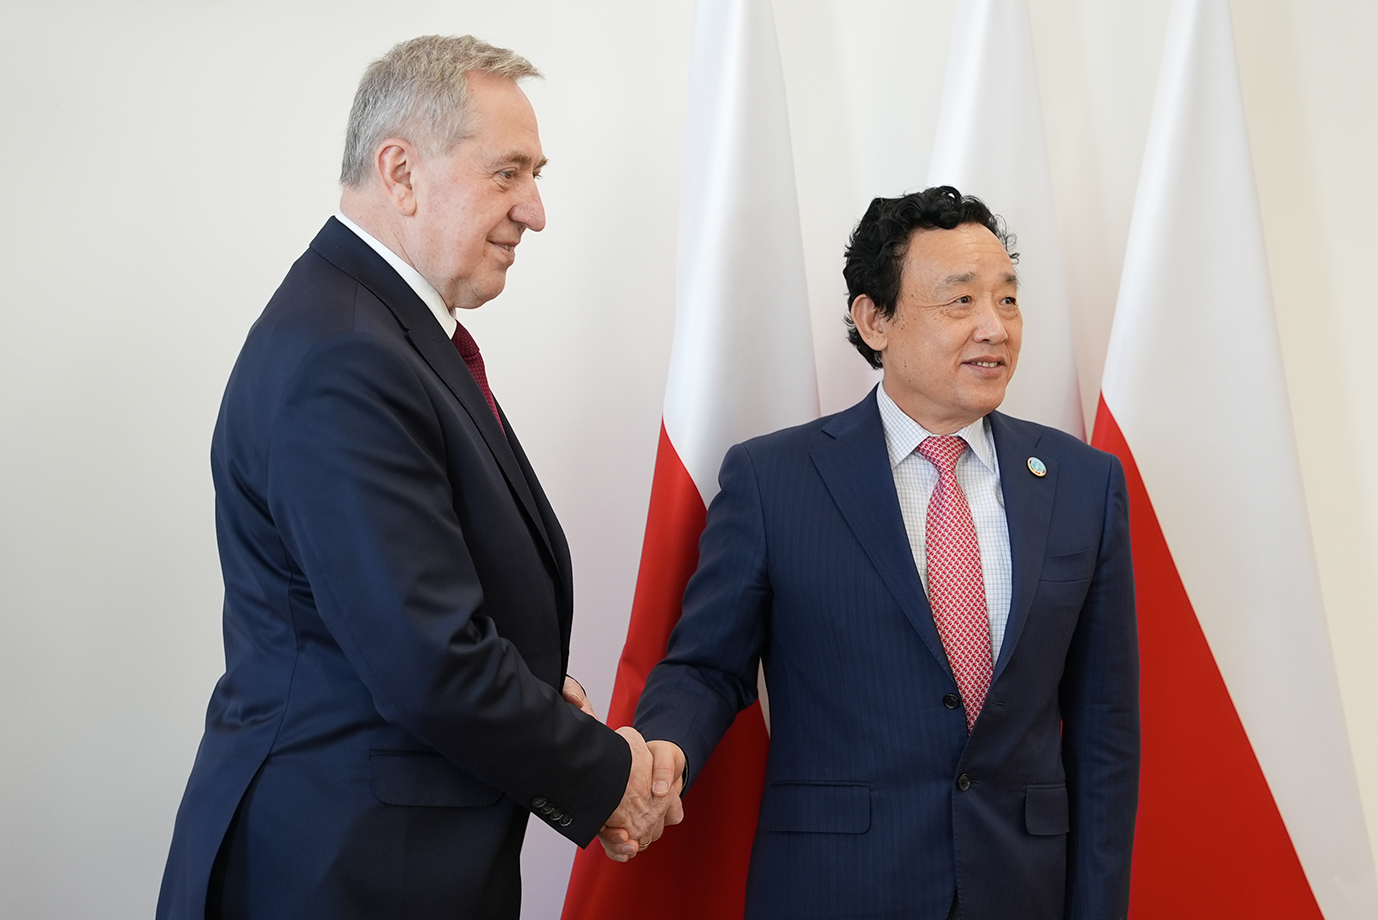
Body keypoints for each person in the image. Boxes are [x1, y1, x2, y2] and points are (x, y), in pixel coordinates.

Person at [156, 35, 677, 920]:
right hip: (339, 873)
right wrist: (608, 777)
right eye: (508, 173)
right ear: (400, 173)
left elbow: (400, 614)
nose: (535, 211)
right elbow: (427, 663)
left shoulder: (374, 330)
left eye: (535, 175)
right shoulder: (347, 356)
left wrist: (535, 695)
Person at [634, 187, 1139, 919]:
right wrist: (660, 752)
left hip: (1020, 889)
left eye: (1007, 299)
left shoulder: (1083, 483)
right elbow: (706, 667)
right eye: (960, 301)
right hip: (835, 889)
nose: (994, 327)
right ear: (875, 320)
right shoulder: (776, 480)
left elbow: (1105, 732)